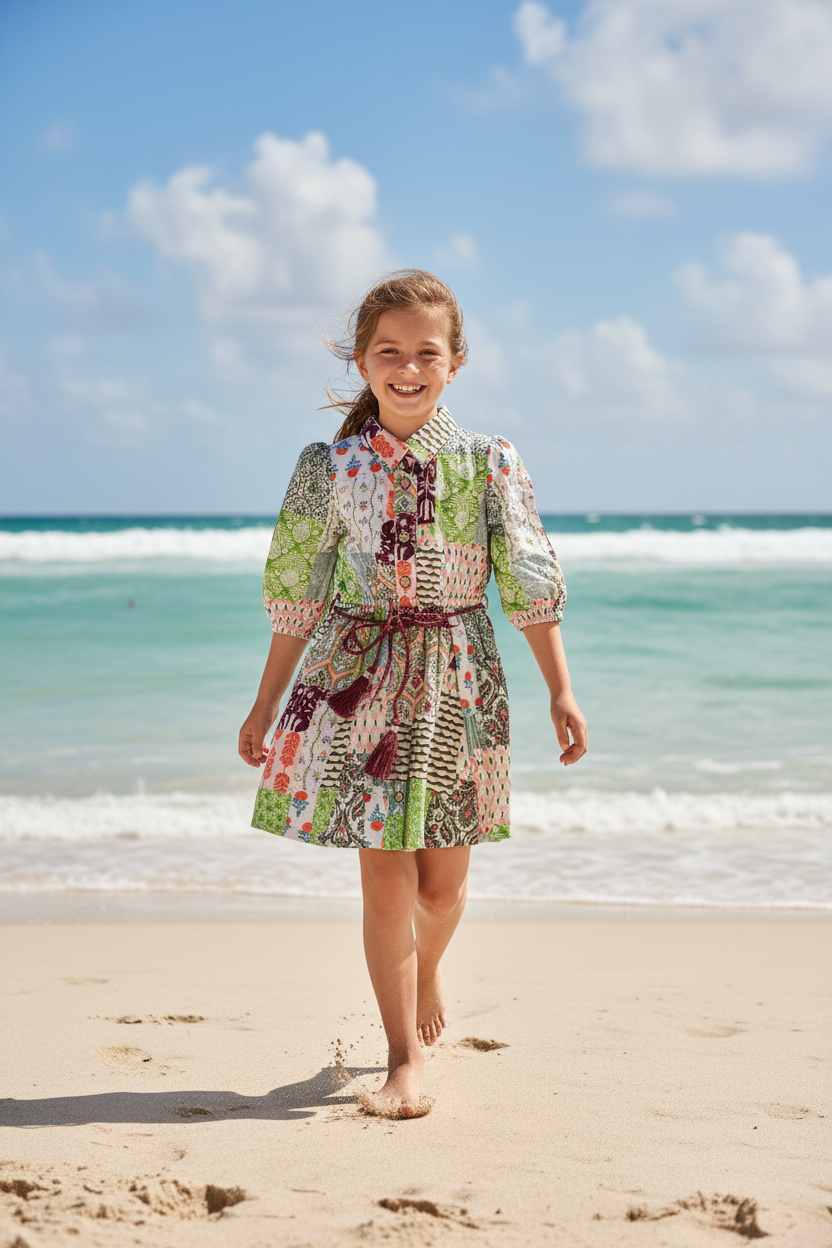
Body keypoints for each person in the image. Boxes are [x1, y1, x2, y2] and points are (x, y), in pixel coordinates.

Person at [238, 270, 587, 1116]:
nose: (406, 367)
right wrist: (263, 703)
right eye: (387, 351)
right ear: (361, 361)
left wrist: (561, 692)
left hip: (460, 680)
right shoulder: (328, 466)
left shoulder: (486, 460)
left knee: (442, 890)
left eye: (425, 352)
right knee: (385, 881)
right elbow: (299, 591)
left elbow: (528, 579)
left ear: (454, 362)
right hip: (354, 681)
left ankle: (430, 967)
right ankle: (403, 1061)